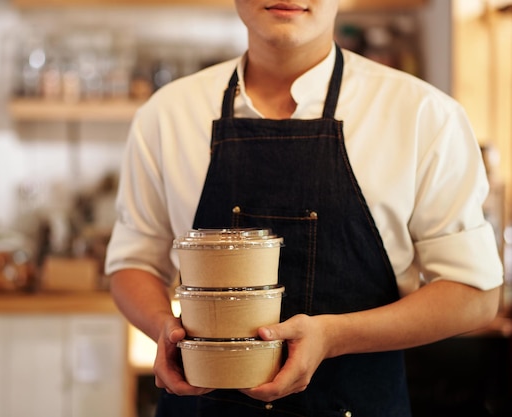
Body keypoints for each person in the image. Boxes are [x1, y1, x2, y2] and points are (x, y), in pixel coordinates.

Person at [105, 1, 503, 416]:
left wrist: (334, 335)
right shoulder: (167, 115)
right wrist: (162, 328)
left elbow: (474, 295)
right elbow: (133, 264)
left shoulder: (424, 116)